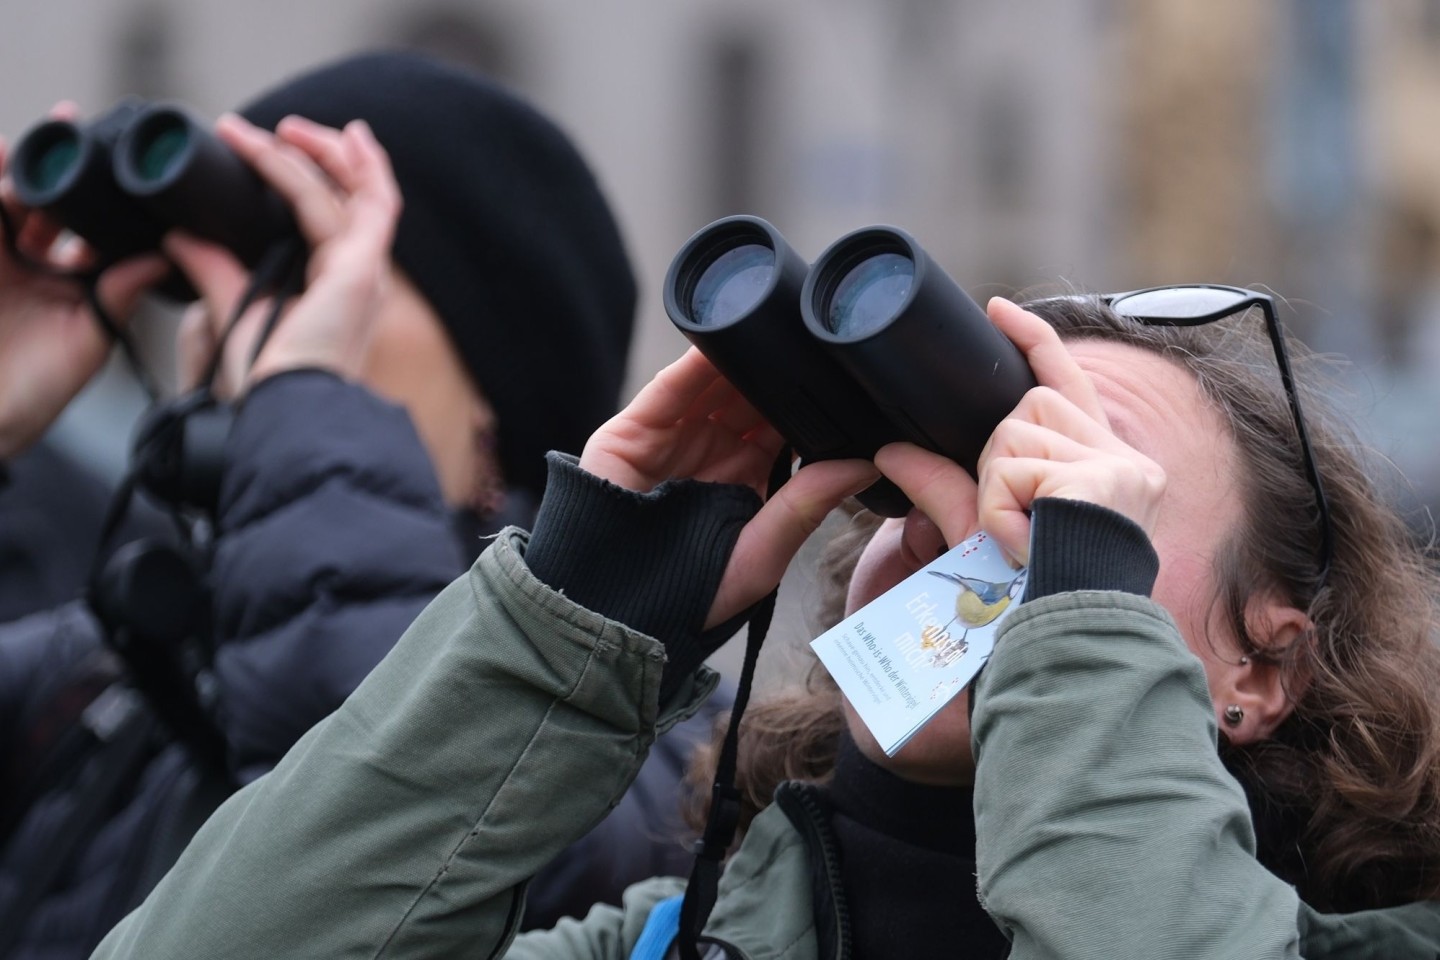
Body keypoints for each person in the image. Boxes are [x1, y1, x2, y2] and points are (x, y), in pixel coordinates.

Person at [90, 287, 1440, 958]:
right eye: (964, 467)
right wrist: (559, 628)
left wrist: (1076, 617)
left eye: (1078, 485)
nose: (982, 521)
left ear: (1260, 663)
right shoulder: (668, 942)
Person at [0, 52, 713, 959]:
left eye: (310, 271)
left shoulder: (639, 715)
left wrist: (304, 407)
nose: (247, 321)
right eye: (243, 274)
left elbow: (398, 827)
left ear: (495, 382)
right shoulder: (100, 674)